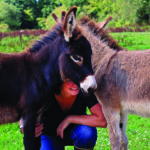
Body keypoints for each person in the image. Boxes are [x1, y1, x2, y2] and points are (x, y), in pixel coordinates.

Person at [19, 79, 107, 150]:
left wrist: (69, 119)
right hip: (48, 134)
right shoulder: (46, 90)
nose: (75, 84)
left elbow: (102, 120)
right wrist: (24, 127)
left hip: (75, 131)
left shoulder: (83, 88)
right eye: (69, 80)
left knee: (86, 133)